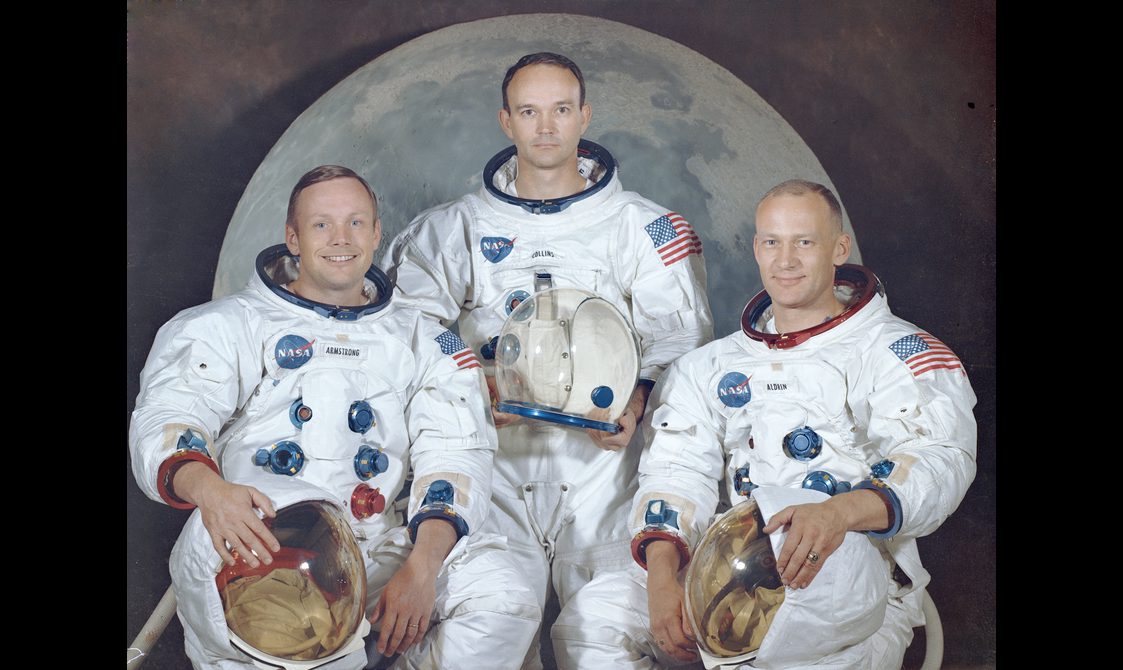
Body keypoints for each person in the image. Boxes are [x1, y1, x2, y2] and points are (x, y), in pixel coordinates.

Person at [129, 165, 539, 669]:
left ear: (375, 234)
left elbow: (455, 454)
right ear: (292, 238)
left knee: (504, 597)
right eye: (322, 224)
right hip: (259, 546)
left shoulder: (428, 341)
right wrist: (211, 492)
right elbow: (170, 417)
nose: (340, 239)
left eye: (355, 223)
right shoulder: (226, 325)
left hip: (379, 546)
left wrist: (423, 567)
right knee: (305, 641)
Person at [558, 179, 977, 668]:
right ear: (757, 249)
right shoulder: (707, 367)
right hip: (730, 561)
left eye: (804, 241)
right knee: (590, 627)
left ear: (840, 248)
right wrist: (661, 578)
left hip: (850, 567)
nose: (786, 260)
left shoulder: (899, 352)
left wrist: (840, 513)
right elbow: (675, 472)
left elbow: (939, 459)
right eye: (772, 242)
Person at [381, 53, 713, 665]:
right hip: (496, 464)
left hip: (605, 473)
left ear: (583, 116)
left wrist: (638, 399)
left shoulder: (644, 227)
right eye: (529, 112)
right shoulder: (454, 228)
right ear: (506, 122)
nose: (546, 128)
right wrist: (471, 382)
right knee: (487, 626)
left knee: (604, 640)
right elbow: (405, 332)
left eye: (561, 110)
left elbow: (682, 342)